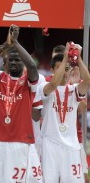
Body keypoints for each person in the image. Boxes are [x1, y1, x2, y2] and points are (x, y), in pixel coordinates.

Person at [0, 25, 42, 182]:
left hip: (19, 142)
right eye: (11, 60)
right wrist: (5, 46)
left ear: (23, 64)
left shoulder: (29, 83)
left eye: (18, 60)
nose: (14, 62)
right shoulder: (0, 79)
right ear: (5, 63)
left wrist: (16, 43)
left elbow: (33, 67)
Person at [36, 44, 90, 182]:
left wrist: (78, 59)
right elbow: (54, 84)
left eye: (67, 69)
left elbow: (87, 80)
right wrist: (66, 59)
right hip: (50, 145)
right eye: (60, 68)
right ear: (53, 70)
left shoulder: (73, 90)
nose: (65, 72)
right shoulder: (44, 88)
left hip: (71, 146)